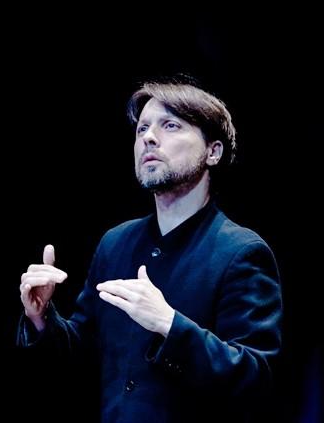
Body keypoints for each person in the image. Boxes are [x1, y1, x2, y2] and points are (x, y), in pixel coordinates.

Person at [17, 79, 282, 423]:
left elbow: (256, 378)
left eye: (170, 125)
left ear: (213, 152)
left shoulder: (242, 252)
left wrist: (169, 324)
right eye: (142, 128)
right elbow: (82, 356)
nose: (149, 138)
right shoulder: (116, 243)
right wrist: (42, 318)